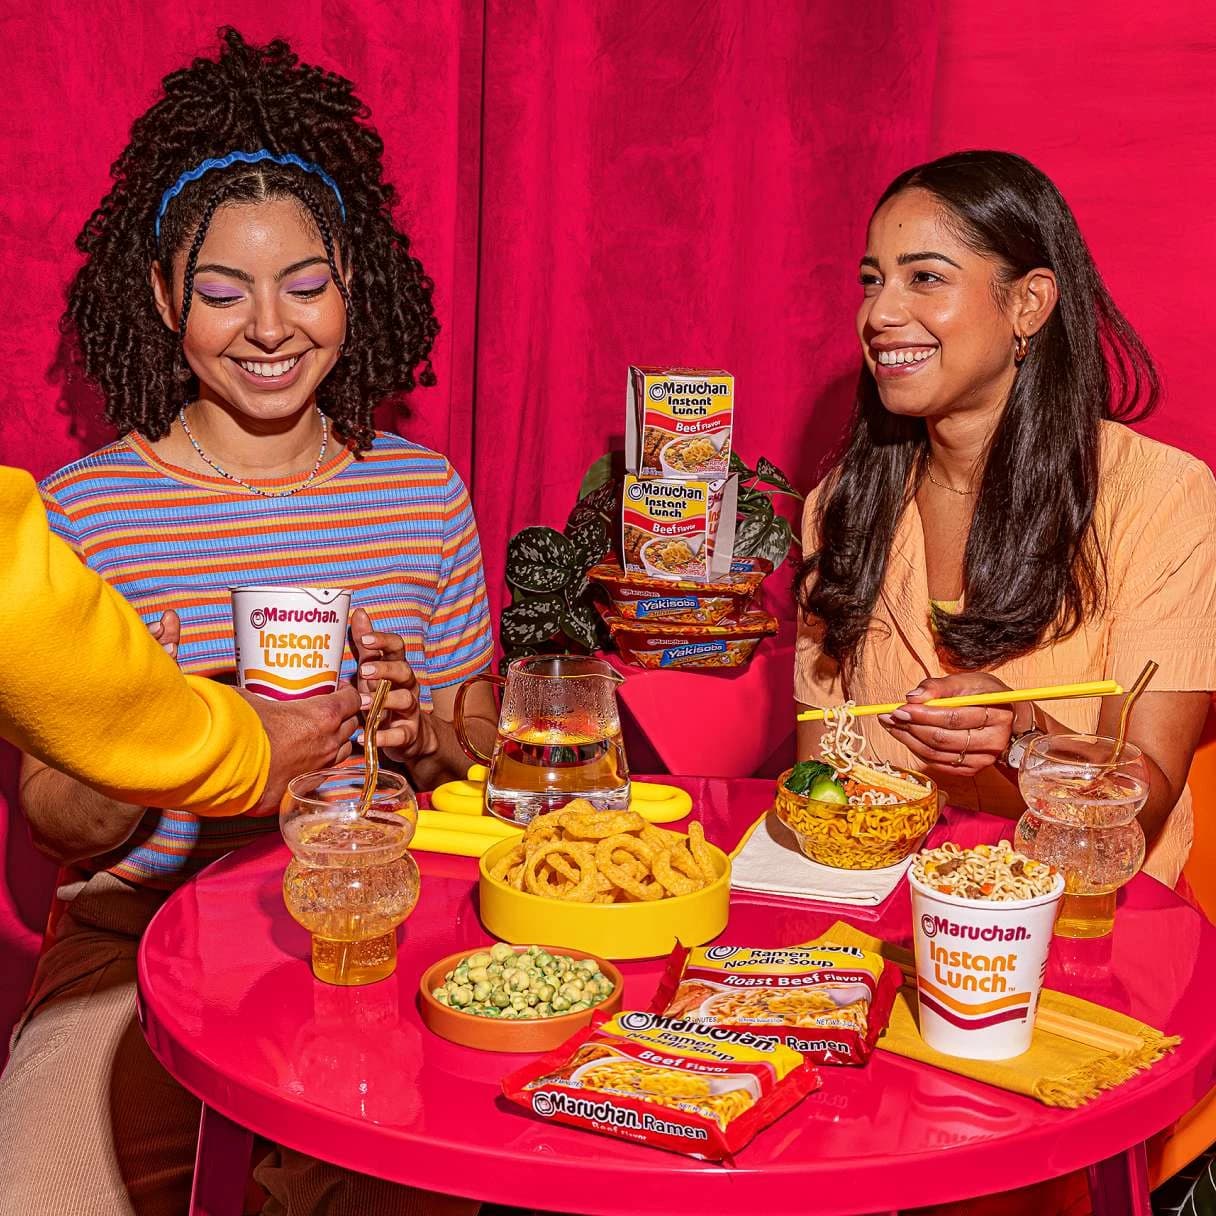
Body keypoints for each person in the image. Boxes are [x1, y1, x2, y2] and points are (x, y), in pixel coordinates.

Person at [0, 29, 497, 1216]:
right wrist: (160, 722)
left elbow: (483, 748)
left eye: (306, 285)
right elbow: (57, 823)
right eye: (222, 292)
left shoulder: (420, 493)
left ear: (351, 286)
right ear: (168, 298)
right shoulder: (82, 512)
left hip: (378, 933)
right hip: (136, 943)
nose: (269, 328)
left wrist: (420, 725)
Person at [795, 150, 1216, 890]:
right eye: (872, 281)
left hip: (1085, 919)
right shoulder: (840, 506)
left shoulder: (1161, 496)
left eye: (924, 277)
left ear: (1029, 303)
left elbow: (1143, 805)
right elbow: (821, 780)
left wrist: (1025, 737)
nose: (880, 314)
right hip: (879, 910)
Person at [0, 464, 358, 813]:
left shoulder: (411, 487)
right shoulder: (78, 505)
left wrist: (409, 735)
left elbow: (415, 776)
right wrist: (144, 718)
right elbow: (57, 827)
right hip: (169, 873)